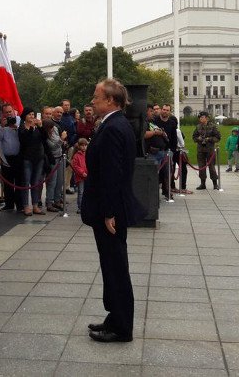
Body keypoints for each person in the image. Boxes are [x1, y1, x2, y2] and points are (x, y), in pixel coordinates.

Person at [81, 79, 144, 343]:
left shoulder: (114, 128)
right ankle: (115, 318)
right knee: (111, 266)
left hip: (111, 211)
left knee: (115, 268)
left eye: (97, 97)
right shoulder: (114, 124)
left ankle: (121, 327)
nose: (92, 101)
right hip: (110, 208)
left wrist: (108, 212)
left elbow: (112, 174)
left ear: (111, 100)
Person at [0, 104, 22, 211]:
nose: (9, 114)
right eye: (6, 112)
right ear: (3, 113)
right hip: (6, 158)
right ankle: (9, 204)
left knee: (19, 182)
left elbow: (24, 135)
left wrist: (16, 128)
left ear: (14, 111)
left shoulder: (20, 121)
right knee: (7, 182)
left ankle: (20, 204)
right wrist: (2, 126)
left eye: (10, 111)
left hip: (18, 156)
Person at [18, 107, 45, 215]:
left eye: (33, 114)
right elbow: (24, 140)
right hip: (27, 158)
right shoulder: (22, 128)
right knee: (26, 182)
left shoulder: (37, 127)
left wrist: (40, 127)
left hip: (38, 157)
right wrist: (31, 129)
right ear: (25, 116)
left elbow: (44, 138)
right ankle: (25, 205)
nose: (32, 116)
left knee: (36, 182)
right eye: (29, 114)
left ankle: (35, 205)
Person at [144, 105, 170, 198]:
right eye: (151, 111)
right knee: (152, 176)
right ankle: (152, 197)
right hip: (153, 153)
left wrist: (161, 132)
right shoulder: (144, 123)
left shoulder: (152, 122)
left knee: (159, 176)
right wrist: (155, 132)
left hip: (161, 152)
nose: (153, 113)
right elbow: (144, 134)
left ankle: (159, 194)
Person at [192, 111, 221, 190]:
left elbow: (218, 137)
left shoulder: (213, 126)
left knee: (211, 166)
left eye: (202, 117)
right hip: (201, 149)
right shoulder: (198, 127)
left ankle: (215, 183)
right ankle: (202, 183)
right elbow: (194, 137)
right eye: (200, 118)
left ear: (207, 118)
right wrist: (198, 139)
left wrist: (209, 139)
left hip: (210, 149)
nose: (201, 119)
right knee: (201, 167)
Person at [42, 118, 65, 213]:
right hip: (52, 159)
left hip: (60, 157)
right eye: (50, 128)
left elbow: (58, 143)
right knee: (52, 182)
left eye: (53, 127)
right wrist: (62, 139)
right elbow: (53, 146)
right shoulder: (45, 135)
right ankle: (49, 202)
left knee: (60, 181)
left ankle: (57, 200)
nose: (52, 129)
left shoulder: (55, 128)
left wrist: (61, 141)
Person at [71, 138, 88, 213]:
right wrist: (82, 173)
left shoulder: (88, 154)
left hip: (87, 176)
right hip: (80, 177)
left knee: (86, 191)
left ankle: (86, 206)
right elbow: (75, 166)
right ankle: (80, 207)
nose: (84, 147)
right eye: (82, 145)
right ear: (79, 146)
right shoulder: (76, 156)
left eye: (85, 145)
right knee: (81, 192)